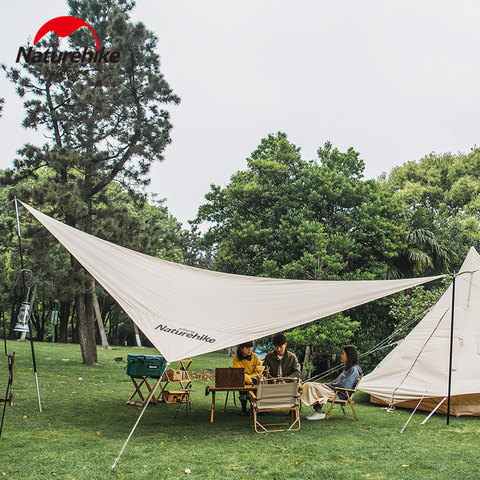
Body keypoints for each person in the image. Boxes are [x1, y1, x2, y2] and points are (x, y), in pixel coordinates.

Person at [301, 345, 362, 421]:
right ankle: (318, 411)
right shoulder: (348, 369)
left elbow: (345, 386)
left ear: (349, 355)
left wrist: (328, 385)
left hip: (339, 394)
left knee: (310, 386)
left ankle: (319, 413)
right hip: (334, 390)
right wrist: (327, 385)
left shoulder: (354, 370)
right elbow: (336, 382)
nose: (341, 356)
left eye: (343, 354)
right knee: (310, 384)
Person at [232, 341, 262, 415]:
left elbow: (258, 371)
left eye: (250, 348)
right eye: (247, 348)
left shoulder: (255, 356)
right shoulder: (236, 357)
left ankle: (253, 406)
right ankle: (244, 407)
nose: (249, 350)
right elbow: (239, 372)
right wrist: (248, 379)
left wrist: (249, 378)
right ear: (241, 349)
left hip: (253, 379)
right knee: (242, 382)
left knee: (252, 382)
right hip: (241, 379)